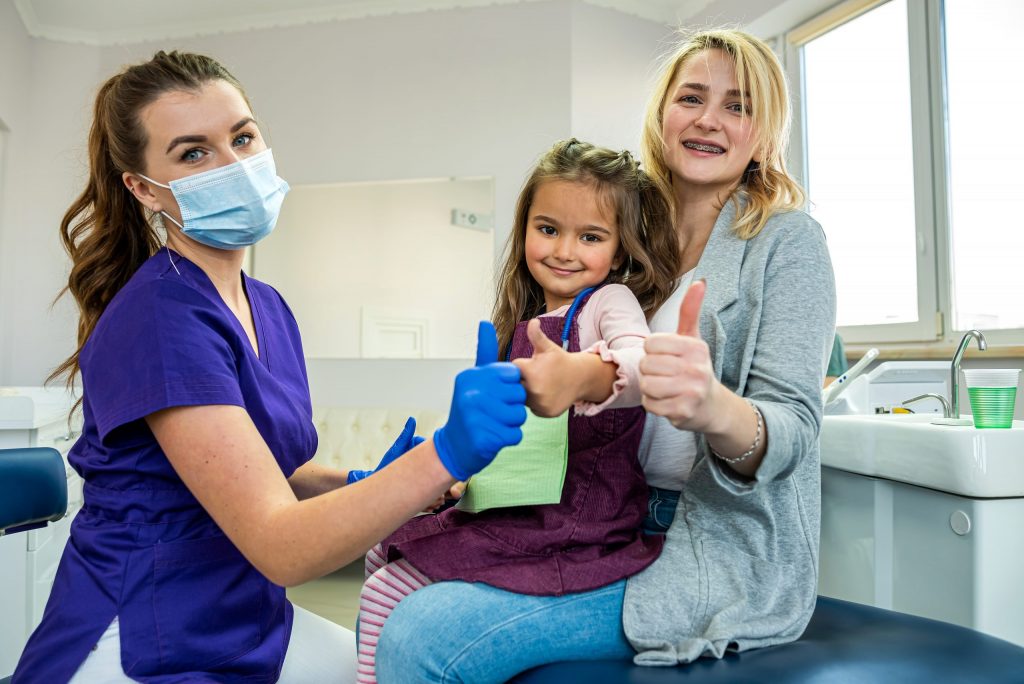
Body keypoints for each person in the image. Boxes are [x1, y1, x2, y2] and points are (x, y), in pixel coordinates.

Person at [12, 51, 526, 683]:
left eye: (243, 137)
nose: (234, 165)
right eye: (194, 153)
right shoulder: (159, 317)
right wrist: (441, 457)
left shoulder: (268, 306)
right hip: (146, 633)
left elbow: (272, 466)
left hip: (247, 615)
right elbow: (281, 544)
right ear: (143, 188)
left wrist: (367, 479)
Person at [375, 28, 837, 682]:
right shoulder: (618, 230)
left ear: (766, 133)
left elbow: (792, 431)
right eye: (692, 97)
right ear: (662, 113)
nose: (709, 119)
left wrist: (713, 408)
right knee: (396, 568)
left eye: (738, 106)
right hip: (589, 518)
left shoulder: (788, 243)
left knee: (423, 634)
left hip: (697, 544)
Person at [353, 139, 681, 682]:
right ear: (524, 227)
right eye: (548, 229)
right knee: (380, 555)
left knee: (389, 583)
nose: (564, 250)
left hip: (577, 526)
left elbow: (640, 357)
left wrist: (586, 374)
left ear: (620, 251)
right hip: (514, 511)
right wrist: (456, 473)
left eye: (591, 237)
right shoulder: (523, 319)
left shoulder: (607, 303)